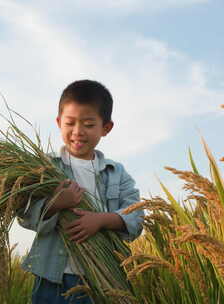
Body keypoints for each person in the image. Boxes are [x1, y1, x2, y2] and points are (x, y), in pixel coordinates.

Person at [17, 79, 144, 304]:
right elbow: (24, 214)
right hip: (52, 277)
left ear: (106, 128)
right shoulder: (45, 167)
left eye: (88, 124)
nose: (78, 132)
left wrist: (101, 220)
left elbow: (136, 216)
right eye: (70, 123)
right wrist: (55, 203)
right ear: (58, 123)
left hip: (102, 278)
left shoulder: (116, 172)